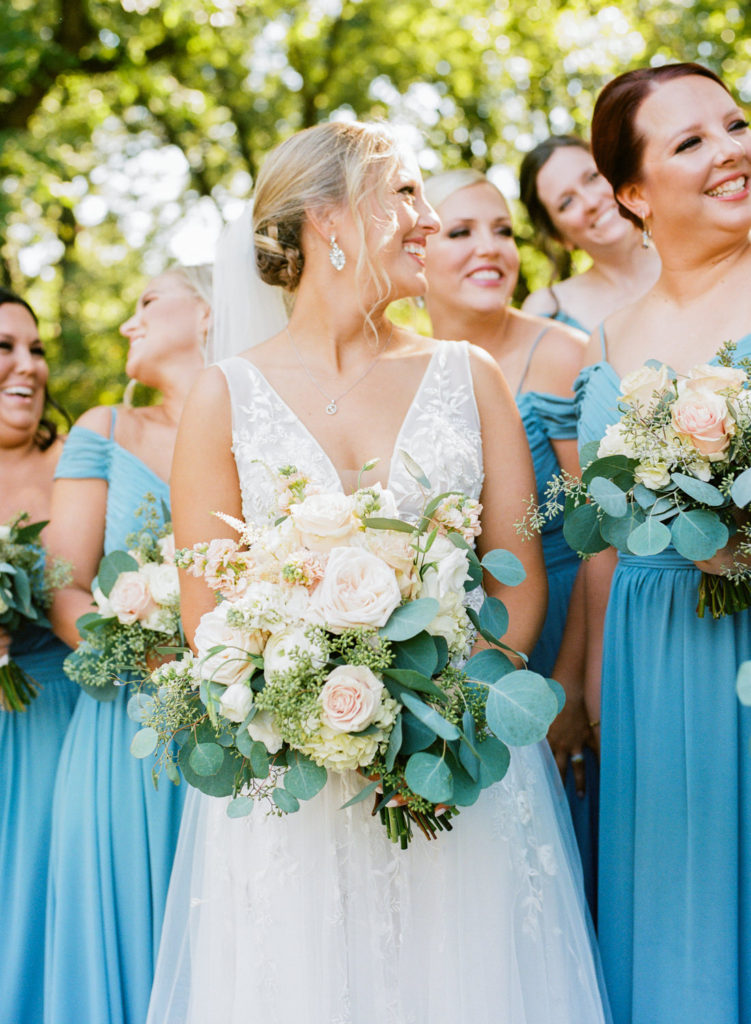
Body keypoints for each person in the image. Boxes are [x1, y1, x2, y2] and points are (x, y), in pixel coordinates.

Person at [148, 121, 610, 1024]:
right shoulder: (224, 395)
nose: (429, 219)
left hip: (460, 770)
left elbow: (515, 583)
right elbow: (210, 616)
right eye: (405, 194)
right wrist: (318, 717)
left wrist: (434, 711)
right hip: (296, 791)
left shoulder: (465, 374)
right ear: (329, 219)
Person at [576, 62, 751, 1024]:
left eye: (733, 124)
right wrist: (601, 697)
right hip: (652, 665)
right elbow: (600, 541)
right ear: (633, 194)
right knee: (676, 918)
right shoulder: (603, 343)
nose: (729, 151)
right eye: (690, 142)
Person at [422, 168, 599, 917]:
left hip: (567, 618)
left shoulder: (561, 353)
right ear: (416, 250)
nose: (488, 248)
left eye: (500, 229)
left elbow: (601, 538)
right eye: (459, 232)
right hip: (448, 642)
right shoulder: (397, 364)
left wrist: (566, 688)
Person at [43, 266, 211, 1024]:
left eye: (146, 302)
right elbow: (64, 587)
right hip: (126, 727)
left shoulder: (265, 426)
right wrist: (154, 661)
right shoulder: (105, 429)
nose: (127, 324)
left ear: (209, 310)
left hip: (235, 713)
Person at [0, 289, 77, 1024]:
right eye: (4, 349)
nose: (27, 366)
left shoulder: (78, 462)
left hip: (57, 720)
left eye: (36, 349)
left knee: (41, 909)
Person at [519, 135, 659, 333]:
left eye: (593, 177)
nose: (591, 202)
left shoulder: (702, 253)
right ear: (558, 236)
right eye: (567, 202)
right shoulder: (548, 311)